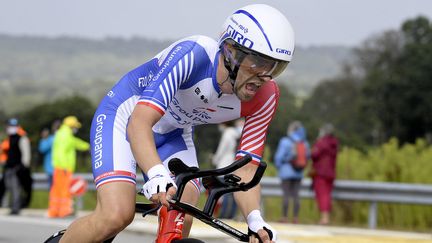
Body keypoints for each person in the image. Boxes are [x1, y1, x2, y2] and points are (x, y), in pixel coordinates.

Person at [60, 4, 294, 243]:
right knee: (116, 215)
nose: (266, 76)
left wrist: (255, 220)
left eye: (276, 67)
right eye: (259, 63)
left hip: (173, 133)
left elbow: (247, 169)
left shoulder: (266, 96)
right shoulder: (194, 55)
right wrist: (155, 173)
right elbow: (139, 122)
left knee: (184, 213)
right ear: (232, 51)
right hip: (125, 117)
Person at [47, 116, 90, 218]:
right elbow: (61, 152)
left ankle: (54, 211)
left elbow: (76, 143)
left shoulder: (64, 134)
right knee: (64, 190)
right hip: (64, 168)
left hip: (59, 167)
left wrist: (87, 146)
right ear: (71, 126)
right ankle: (65, 211)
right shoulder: (65, 135)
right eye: (75, 126)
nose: (76, 128)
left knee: (57, 190)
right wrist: (64, 167)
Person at [274, 121, 310, 224]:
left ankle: (284, 217)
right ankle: (295, 218)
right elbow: (307, 157)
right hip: (299, 172)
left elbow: (279, 157)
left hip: (286, 171)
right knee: (296, 195)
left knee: (286, 195)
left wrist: (279, 167)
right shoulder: (304, 142)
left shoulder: (285, 141)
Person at [212, 119, 244, 219]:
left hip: (224, 165)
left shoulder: (227, 134)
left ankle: (224, 215)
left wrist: (215, 160)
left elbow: (221, 150)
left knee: (223, 191)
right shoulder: (236, 134)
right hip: (234, 164)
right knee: (232, 192)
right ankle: (232, 214)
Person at [311, 123, 339, 225]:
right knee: (327, 195)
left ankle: (324, 218)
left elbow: (314, 155)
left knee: (322, 195)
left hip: (321, 172)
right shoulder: (334, 143)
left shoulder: (321, 142)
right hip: (331, 173)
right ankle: (326, 217)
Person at [2, 118, 31, 215]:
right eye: (10, 126)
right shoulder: (9, 138)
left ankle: (16, 207)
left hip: (17, 167)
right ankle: (12, 205)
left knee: (15, 187)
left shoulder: (21, 137)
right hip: (9, 167)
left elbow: (26, 153)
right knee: (9, 187)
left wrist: (24, 166)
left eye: (13, 126)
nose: (11, 128)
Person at [38, 120, 61, 189]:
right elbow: (42, 149)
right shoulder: (50, 139)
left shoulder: (63, 138)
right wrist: (52, 140)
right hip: (51, 169)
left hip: (62, 169)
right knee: (53, 190)